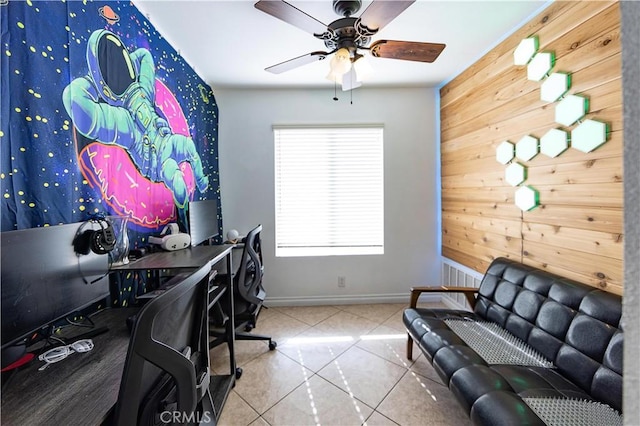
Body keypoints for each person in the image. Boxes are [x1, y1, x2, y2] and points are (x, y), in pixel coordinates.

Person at [63, 29, 208, 213]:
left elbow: (144, 56)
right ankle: (185, 224)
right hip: (157, 161)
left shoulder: (144, 92)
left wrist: (115, 72)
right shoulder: (124, 122)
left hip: (167, 140)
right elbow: (74, 98)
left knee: (189, 146)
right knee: (178, 182)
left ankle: (202, 182)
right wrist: (97, 83)